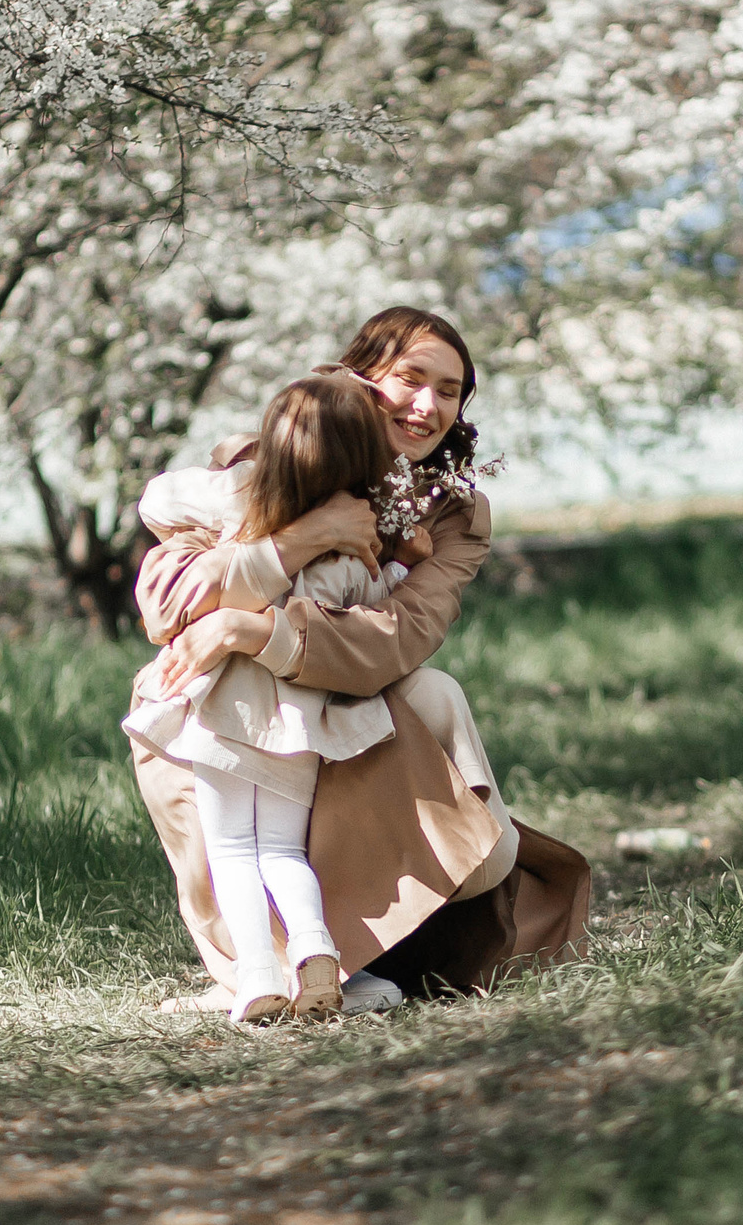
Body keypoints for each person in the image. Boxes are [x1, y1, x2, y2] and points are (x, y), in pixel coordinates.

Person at [129, 307, 590, 1014]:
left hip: (348, 729)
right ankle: (274, 964)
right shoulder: (266, 459)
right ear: (361, 377)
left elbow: (391, 638)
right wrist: (300, 538)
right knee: (179, 724)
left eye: (449, 390)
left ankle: (342, 948)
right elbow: (165, 608)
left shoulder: (452, 516)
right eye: (410, 379)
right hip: (234, 717)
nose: (426, 405)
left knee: (429, 692)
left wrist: (244, 629)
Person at [123, 372, 419, 1024]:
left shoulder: (240, 513)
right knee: (283, 850)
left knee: (232, 848)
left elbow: (156, 500)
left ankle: (259, 976)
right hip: (298, 724)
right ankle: (313, 946)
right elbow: (378, 594)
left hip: (227, 710)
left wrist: (233, 470)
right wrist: (401, 561)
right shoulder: (353, 548)